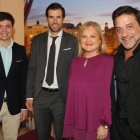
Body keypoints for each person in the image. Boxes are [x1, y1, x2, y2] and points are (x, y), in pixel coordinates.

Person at [26, 2, 78, 140]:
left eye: (58, 17)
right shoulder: (37, 41)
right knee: (42, 135)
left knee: (63, 135)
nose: (55, 21)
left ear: (63, 18)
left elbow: (75, 73)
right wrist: (29, 96)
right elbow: (32, 69)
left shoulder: (72, 41)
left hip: (61, 97)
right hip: (40, 96)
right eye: (51, 17)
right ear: (47, 18)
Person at [63, 21, 114, 140]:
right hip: (77, 120)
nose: (88, 40)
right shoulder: (75, 62)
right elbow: (72, 95)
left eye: (92, 36)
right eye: (84, 36)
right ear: (80, 40)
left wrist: (105, 124)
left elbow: (108, 95)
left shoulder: (108, 61)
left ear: (100, 39)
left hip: (96, 123)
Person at [110, 6, 140, 140]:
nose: (124, 34)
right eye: (119, 29)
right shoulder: (117, 56)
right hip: (117, 129)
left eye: (129, 26)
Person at [0, 12, 28, 140]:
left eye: (7, 26)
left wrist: (23, 106)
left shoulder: (20, 50)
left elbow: (23, 81)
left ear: (13, 28)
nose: (4, 30)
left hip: (14, 105)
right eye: (0, 26)